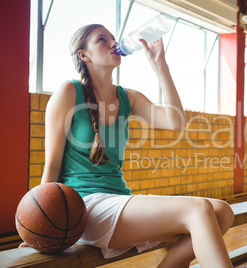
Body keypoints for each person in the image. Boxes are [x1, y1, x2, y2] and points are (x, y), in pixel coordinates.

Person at [24, 23, 234, 267]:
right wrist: (40, 222)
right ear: (84, 55)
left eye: (113, 37)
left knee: (222, 212)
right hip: (85, 207)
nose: (113, 42)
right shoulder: (68, 92)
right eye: (102, 39)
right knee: (199, 209)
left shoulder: (128, 97)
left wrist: (160, 65)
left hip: (120, 201)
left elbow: (176, 122)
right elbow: (52, 164)